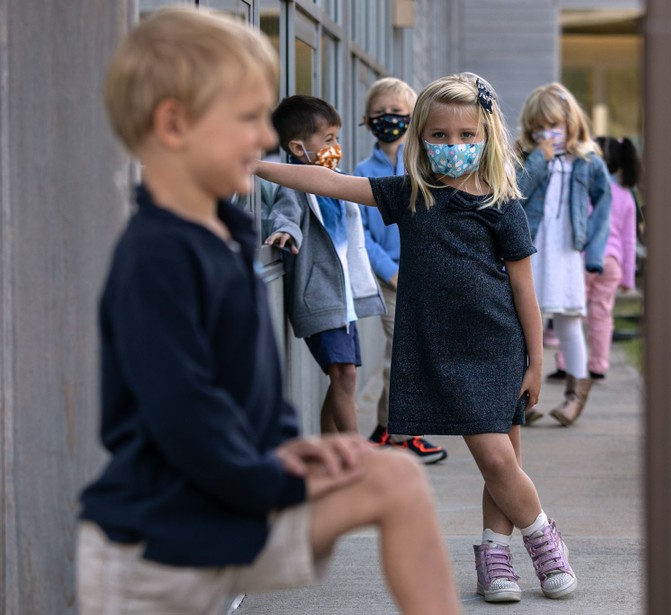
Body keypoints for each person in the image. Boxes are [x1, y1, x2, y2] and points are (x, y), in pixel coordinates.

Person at [77, 8, 459, 614]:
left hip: (227, 498)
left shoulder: (224, 235)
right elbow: (181, 412)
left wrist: (286, 444)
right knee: (394, 481)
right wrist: (269, 473)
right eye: (248, 118)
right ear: (174, 124)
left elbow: (248, 389)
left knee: (396, 479)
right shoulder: (157, 256)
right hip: (158, 539)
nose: (264, 139)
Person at [255, 72, 578, 603]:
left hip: (497, 348)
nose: (454, 145)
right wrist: (252, 165)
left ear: (487, 137)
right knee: (498, 459)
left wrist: (537, 362)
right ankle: (525, 545)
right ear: (421, 138)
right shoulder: (410, 195)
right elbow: (329, 182)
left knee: (501, 460)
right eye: (440, 136)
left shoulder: (504, 206)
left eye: (467, 135)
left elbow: (525, 290)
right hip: (439, 349)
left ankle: (513, 551)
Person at [264, 94, 385, 435]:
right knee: (343, 374)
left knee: (344, 377)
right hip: (321, 295)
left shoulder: (335, 180)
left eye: (337, 138)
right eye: (328, 139)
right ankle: (353, 454)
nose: (336, 147)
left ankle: (332, 450)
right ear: (298, 148)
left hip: (343, 298)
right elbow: (284, 213)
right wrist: (285, 232)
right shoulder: (296, 184)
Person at [354, 77, 448, 464]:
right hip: (390, 280)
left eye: (397, 112)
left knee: (414, 354)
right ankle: (401, 435)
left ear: (413, 118)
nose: (388, 118)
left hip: (424, 274)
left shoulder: (423, 166)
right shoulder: (363, 171)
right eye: (379, 113)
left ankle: (385, 428)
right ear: (366, 120)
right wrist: (389, 271)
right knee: (402, 356)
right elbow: (361, 232)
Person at [515, 82, 613, 428]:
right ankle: (519, 397)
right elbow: (515, 193)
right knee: (523, 323)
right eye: (539, 127)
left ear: (570, 123)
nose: (547, 133)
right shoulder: (525, 158)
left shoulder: (587, 161)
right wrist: (539, 160)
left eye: (554, 125)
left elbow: (604, 205)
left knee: (570, 322)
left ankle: (575, 395)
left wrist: (594, 254)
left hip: (566, 252)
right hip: (530, 250)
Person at [554, 136, 639, 381]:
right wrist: (628, 277)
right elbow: (629, 240)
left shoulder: (584, 190)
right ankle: (598, 366)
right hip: (611, 263)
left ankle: (566, 365)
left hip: (582, 261)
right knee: (602, 315)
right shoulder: (625, 196)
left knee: (573, 313)